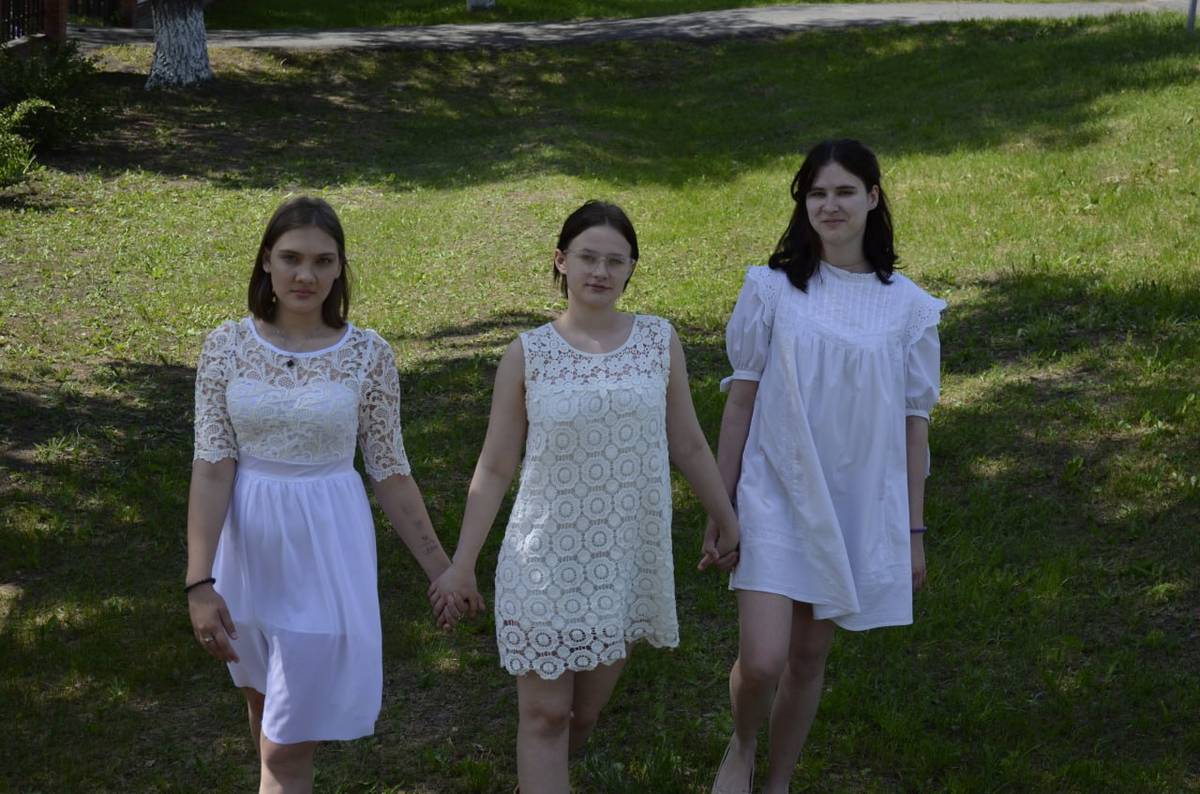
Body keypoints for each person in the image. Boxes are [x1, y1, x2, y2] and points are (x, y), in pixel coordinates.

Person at [428, 200, 741, 794]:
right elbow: (495, 465)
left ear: (631, 269)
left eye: (615, 261)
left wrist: (725, 517)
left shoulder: (658, 341)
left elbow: (689, 443)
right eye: (587, 257)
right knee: (545, 717)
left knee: (583, 715)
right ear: (561, 261)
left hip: (621, 561)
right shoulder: (528, 353)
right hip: (542, 560)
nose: (600, 271)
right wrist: (462, 564)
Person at [185, 196, 465, 794]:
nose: (305, 275)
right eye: (291, 258)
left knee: (285, 748)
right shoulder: (225, 347)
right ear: (266, 260)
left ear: (340, 269)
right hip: (247, 556)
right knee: (264, 715)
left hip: (327, 552)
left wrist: (441, 568)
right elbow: (211, 468)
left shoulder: (368, 354)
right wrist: (199, 582)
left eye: (322, 261)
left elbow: (390, 471)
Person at [709, 140, 945, 794]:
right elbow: (740, 403)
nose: (830, 205)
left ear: (873, 197)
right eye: (817, 193)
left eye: (844, 192)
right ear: (803, 203)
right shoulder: (771, 289)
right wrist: (721, 508)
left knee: (808, 656)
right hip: (772, 491)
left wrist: (913, 533)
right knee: (762, 660)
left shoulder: (910, 309)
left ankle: (778, 781)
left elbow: (914, 428)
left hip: (849, 504)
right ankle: (743, 744)